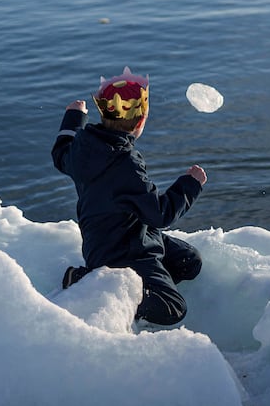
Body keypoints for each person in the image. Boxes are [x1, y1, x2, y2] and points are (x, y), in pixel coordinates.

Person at [52, 66, 207, 326]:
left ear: (102, 112)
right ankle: (90, 281)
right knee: (173, 308)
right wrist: (190, 185)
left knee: (189, 262)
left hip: (123, 236)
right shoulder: (125, 164)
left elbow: (60, 154)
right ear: (141, 121)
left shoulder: (84, 147)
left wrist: (73, 118)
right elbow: (160, 214)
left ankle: (145, 283)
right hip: (123, 251)